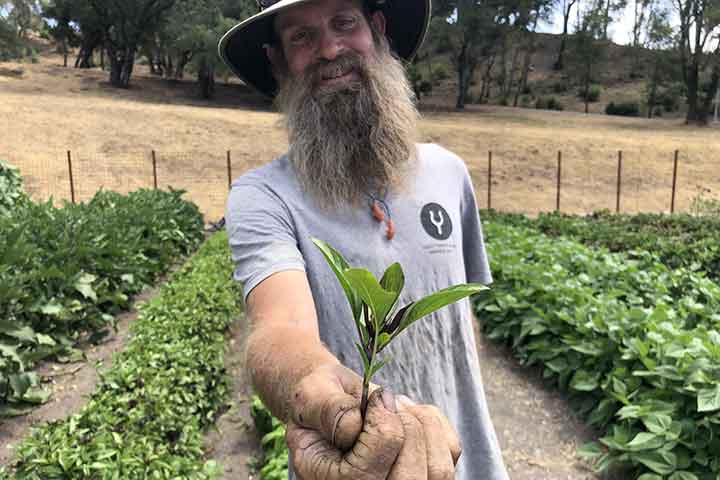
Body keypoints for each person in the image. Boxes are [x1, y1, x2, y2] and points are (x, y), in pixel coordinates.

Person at [219, 0, 509, 478]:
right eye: (301, 38)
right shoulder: (264, 196)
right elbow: (279, 328)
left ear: (376, 29)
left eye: (344, 23)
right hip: (351, 463)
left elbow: (462, 315)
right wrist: (326, 394)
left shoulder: (449, 173)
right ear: (278, 60)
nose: (329, 49)